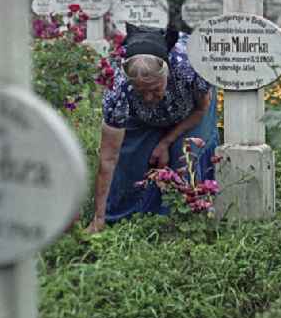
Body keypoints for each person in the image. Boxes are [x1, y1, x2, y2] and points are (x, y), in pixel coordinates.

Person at [88, 24, 218, 233]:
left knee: (185, 156)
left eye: (155, 89)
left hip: (189, 110)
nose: (148, 97)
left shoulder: (190, 68)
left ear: (167, 74)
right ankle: (121, 220)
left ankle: (187, 224)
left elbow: (201, 109)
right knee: (131, 158)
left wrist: (166, 142)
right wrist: (98, 216)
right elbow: (109, 157)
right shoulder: (118, 87)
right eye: (141, 91)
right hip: (142, 117)